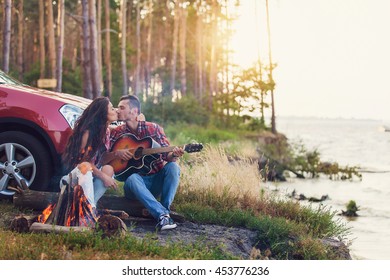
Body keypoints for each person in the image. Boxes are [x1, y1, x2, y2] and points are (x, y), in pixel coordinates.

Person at [103, 95, 184, 231]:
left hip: (155, 181)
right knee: (133, 178)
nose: (118, 110)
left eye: (122, 107)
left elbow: (167, 156)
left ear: (134, 111)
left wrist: (174, 155)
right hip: (134, 186)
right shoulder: (116, 133)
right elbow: (102, 158)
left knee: (173, 167)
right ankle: (162, 214)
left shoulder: (153, 129)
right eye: (117, 107)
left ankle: (164, 212)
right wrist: (116, 154)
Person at [62, 96, 118, 208]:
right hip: (73, 179)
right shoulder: (88, 133)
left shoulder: (106, 131)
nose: (115, 110)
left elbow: (125, 127)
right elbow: (83, 164)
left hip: (91, 178)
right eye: (112, 109)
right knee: (87, 167)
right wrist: (103, 177)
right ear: (103, 114)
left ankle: (89, 208)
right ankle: (88, 212)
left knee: (109, 169)